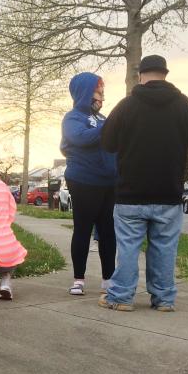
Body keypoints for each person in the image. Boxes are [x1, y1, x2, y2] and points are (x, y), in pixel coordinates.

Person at [100, 55, 188, 312]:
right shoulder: (184, 105)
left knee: (128, 246)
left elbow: (108, 142)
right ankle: (164, 298)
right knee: (165, 247)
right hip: (168, 191)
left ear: (141, 75)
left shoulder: (126, 105)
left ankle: (121, 297)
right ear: (165, 73)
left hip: (131, 193)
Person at [60, 72, 117, 296]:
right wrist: (111, 125)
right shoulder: (72, 118)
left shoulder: (103, 119)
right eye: (98, 92)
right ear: (84, 93)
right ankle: (79, 279)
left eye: (103, 93)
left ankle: (108, 280)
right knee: (83, 229)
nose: (102, 98)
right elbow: (81, 138)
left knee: (108, 231)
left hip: (108, 183)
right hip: (83, 181)